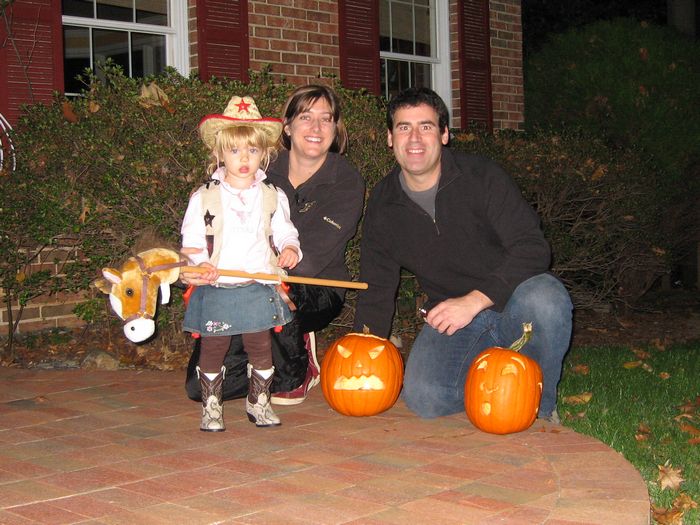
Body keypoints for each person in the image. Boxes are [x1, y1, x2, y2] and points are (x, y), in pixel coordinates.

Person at [352, 87, 572, 422]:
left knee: (545, 298)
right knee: (426, 399)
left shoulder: (482, 177)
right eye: (404, 127)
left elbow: (533, 247)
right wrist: (363, 347)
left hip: (514, 299)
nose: (414, 138)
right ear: (390, 138)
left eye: (426, 126)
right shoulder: (384, 204)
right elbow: (376, 285)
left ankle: (537, 406)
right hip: (455, 316)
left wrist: (475, 300)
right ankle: (489, 368)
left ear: (444, 135)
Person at [182, 85, 365, 406]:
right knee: (200, 388)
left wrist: (255, 280)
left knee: (274, 298)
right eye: (305, 117)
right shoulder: (256, 168)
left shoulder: (346, 180)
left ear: (335, 129)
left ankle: (298, 365)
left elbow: (309, 260)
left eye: (326, 119)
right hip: (240, 284)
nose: (316, 127)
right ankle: (259, 347)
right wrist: (197, 267)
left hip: (311, 287)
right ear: (288, 126)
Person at [182, 95, 301, 430]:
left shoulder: (271, 195)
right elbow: (192, 241)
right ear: (220, 153)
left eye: (252, 150)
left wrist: (290, 248)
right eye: (234, 150)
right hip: (218, 286)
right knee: (214, 347)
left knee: (260, 347)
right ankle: (211, 406)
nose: (244, 158)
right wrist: (198, 264)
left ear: (264, 153)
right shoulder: (205, 197)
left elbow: (285, 231)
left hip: (257, 285)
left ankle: (258, 402)